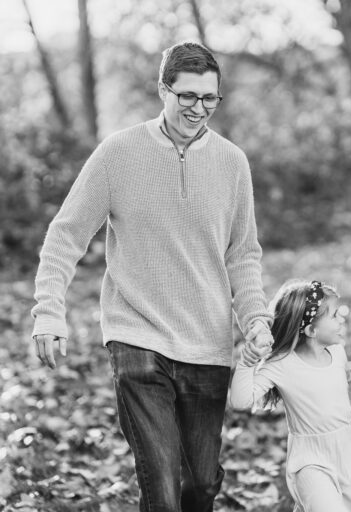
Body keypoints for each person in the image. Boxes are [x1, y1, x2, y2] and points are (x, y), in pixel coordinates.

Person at [30, 41, 274, 512]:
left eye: (209, 98)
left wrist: (256, 319)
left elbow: (242, 255)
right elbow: (66, 234)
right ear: (163, 90)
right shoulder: (118, 153)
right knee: (161, 486)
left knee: (199, 486)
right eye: (187, 96)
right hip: (136, 335)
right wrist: (49, 311)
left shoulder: (232, 163)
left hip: (207, 343)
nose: (198, 108)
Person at [230, 280, 351, 512]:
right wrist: (247, 362)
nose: (342, 318)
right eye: (334, 315)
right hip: (310, 462)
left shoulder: (337, 353)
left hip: (348, 455)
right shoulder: (281, 364)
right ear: (311, 331)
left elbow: (342, 405)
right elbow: (240, 401)